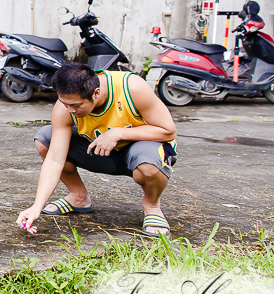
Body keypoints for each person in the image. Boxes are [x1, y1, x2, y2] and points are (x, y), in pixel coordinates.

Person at [16, 63, 178, 238]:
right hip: (99, 151)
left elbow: (168, 131)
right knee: (45, 139)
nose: (70, 110)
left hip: (138, 153)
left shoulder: (132, 87)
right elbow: (55, 159)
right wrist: (36, 207)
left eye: (76, 105)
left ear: (96, 93)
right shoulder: (65, 107)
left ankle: (152, 206)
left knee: (148, 164)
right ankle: (79, 197)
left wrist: (118, 133)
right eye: (65, 103)